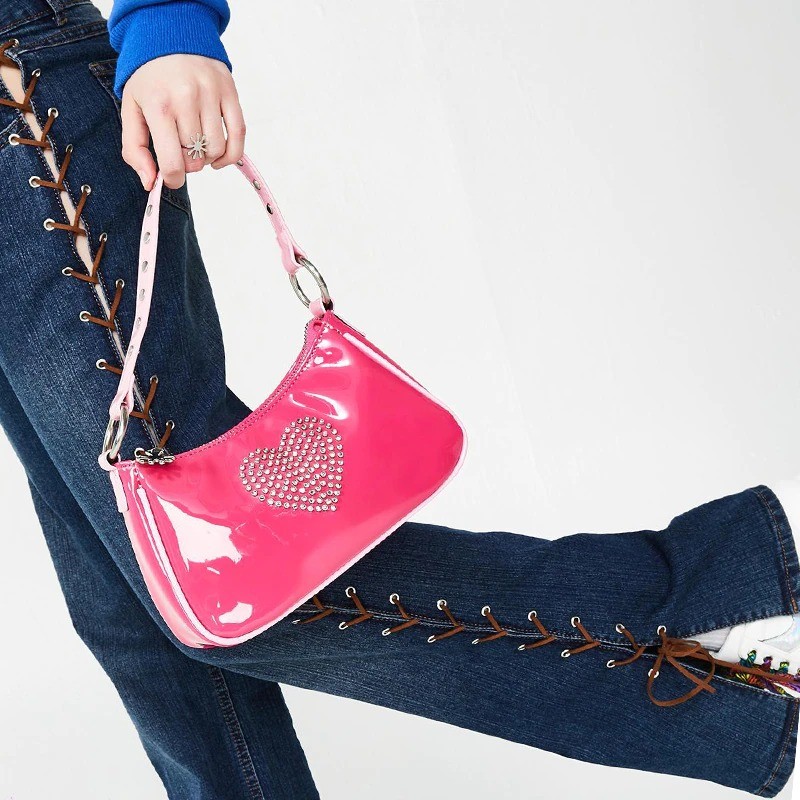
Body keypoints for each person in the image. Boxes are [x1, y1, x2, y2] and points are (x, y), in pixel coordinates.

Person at [1, 1, 798, 797]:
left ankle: (723, 624)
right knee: (131, 616)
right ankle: (723, 624)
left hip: (20, 100)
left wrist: (167, 16)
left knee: (225, 581)